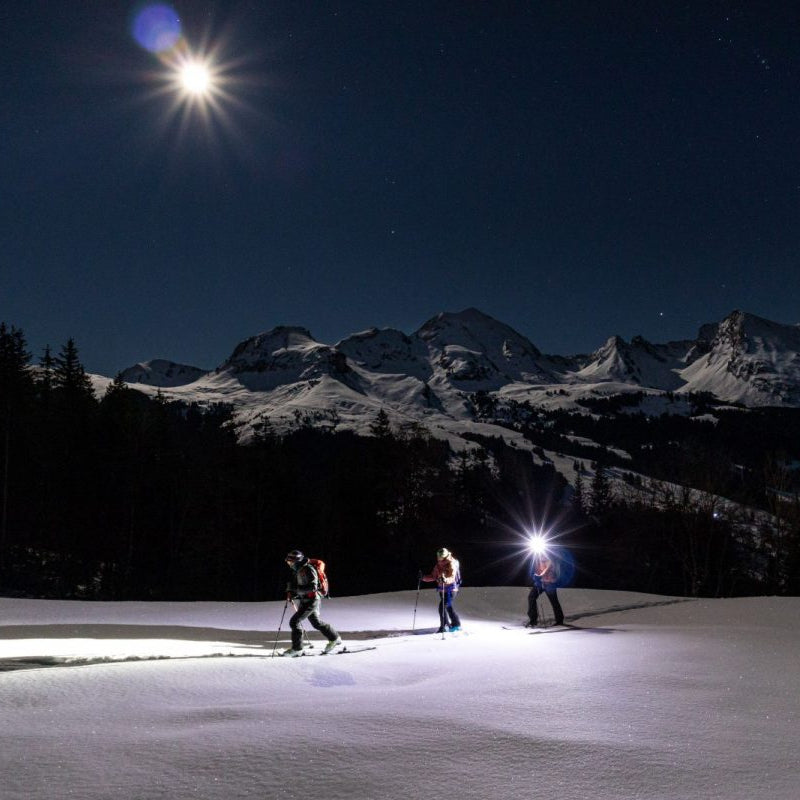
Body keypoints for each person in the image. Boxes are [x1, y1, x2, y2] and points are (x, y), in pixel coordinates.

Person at [282, 550, 342, 657]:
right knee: (316, 623)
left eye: (290, 561)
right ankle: (335, 638)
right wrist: (293, 593)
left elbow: (312, 587)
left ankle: (297, 649)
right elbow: (302, 588)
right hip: (306, 600)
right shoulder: (299, 570)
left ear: (296, 561)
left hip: (311, 600)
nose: (288, 563)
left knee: (294, 622)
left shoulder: (307, 569)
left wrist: (295, 590)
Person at [422, 547, 462, 632]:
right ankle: (456, 624)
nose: (438, 558)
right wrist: (423, 578)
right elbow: (433, 576)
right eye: (438, 556)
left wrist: (445, 580)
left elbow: (452, 576)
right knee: (448, 607)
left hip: (451, 589)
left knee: (442, 607)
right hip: (442, 589)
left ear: (444, 556)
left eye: (440, 557)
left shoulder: (452, 563)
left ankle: (444, 627)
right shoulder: (438, 565)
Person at [527, 550, 565, 627]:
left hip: (549, 583)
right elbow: (536, 572)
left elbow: (545, 571)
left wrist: (539, 576)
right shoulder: (537, 560)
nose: (541, 555)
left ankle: (559, 620)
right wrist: (536, 579)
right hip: (540, 583)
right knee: (531, 597)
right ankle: (533, 620)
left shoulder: (550, 561)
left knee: (554, 601)